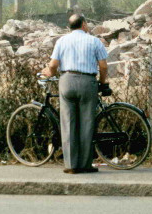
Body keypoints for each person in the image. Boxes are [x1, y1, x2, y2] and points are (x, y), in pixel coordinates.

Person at [41, 13, 108, 175]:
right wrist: (102, 82)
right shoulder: (94, 41)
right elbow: (103, 66)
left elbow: (53, 65)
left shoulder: (61, 41)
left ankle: (71, 165)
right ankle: (85, 165)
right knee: (87, 123)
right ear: (84, 25)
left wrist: (48, 72)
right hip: (87, 82)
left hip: (67, 81)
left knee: (68, 123)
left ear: (69, 26)